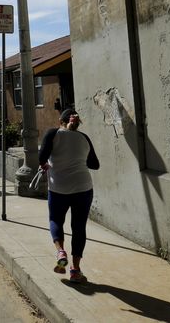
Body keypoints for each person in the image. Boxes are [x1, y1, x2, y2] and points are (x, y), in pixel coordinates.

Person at [38, 108, 100, 284]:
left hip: (59, 188)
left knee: (56, 220)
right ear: (77, 123)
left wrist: (46, 164)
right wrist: (77, 158)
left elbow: (41, 157)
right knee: (79, 227)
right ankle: (75, 270)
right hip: (83, 187)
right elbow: (94, 165)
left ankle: (60, 252)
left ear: (61, 121)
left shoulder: (53, 133)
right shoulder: (84, 138)